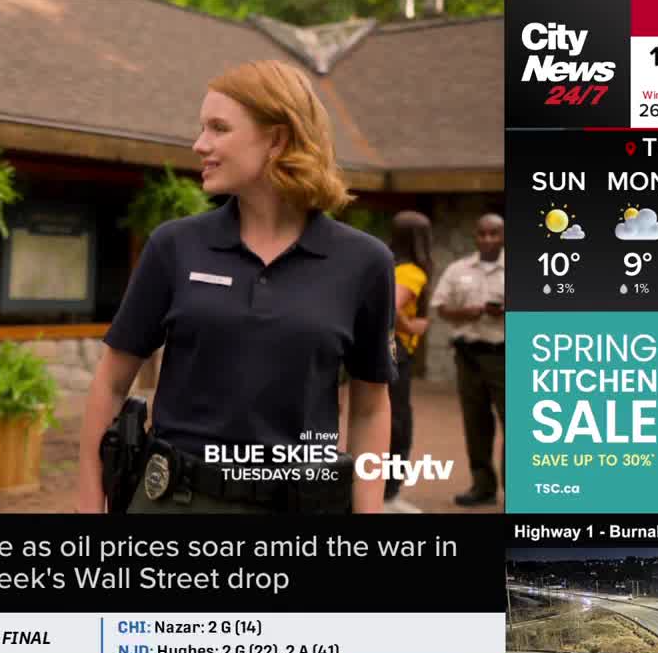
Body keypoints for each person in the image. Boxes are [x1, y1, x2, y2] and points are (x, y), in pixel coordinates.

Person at [75, 60, 396, 514]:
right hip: (175, 505)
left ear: (277, 139)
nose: (199, 144)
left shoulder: (364, 263)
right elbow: (110, 382)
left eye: (219, 128)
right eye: (202, 128)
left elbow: (369, 409)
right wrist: (90, 504)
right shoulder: (175, 246)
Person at [432, 213, 505, 507]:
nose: (487, 239)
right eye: (482, 233)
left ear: (503, 236)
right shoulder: (457, 269)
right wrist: (467, 313)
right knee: (476, 423)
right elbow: (440, 307)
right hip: (468, 356)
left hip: (506, 356)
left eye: (494, 233)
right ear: (475, 236)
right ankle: (482, 486)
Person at [384, 210, 434, 503]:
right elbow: (390, 306)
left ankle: (379, 489)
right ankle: (389, 492)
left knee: (382, 417)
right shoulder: (412, 272)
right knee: (398, 422)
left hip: (382, 349)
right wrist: (410, 326)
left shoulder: (386, 264)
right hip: (396, 352)